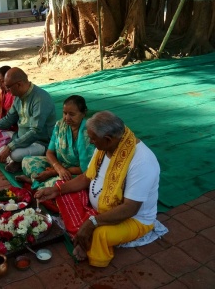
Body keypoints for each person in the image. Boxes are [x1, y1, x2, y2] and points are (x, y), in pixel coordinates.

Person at [35, 111, 161, 268]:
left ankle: (87, 237)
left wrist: (92, 223)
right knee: (62, 189)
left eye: (93, 139)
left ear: (107, 139)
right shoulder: (105, 145)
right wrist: (55, 190)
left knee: (99, 235)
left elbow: (130, 208)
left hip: (133, 219)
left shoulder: (142, 162)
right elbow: (86, 177)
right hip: (99, 207)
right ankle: (84, 227)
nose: (90, 142)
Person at [0, 67, 57, 173]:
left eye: (8, 87)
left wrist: (10, 147)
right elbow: (8, 120)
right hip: (19, 137)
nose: (6, 90)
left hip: (39, 143)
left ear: (19, 84)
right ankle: (14, 160)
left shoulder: (40, 99)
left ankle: (14, 159)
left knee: (14, 153)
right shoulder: (18, 97)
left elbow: (35, 132)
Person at [16, 95, 93, 190]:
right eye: (65, 113)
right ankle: (38, 181)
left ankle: (35, 181)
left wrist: (54, 172)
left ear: (84, 113)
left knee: (58, 185)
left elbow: (85, 168)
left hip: (78, 172)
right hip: (60, 165)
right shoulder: (60, 125)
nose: (67, 118)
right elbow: (49, 152)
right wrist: (58, 167)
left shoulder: (89, 133)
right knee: (27, 161)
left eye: (72, 114)